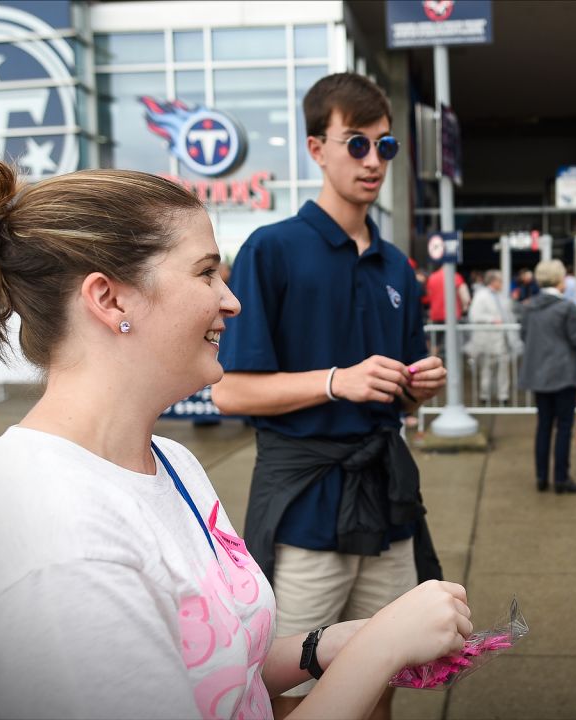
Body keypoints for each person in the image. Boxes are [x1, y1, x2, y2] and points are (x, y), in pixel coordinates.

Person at [0, 157, 472, 719]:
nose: (231, 300)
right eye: (205, 272)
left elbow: (219, 670)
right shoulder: (57, 549)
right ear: (109, 298)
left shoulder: (169, 461)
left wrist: (322, 646)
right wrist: (381, 648)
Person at [211, 73, 450, 720]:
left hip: (387, 503)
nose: (373, 161)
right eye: (357, 145)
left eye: (385, 147)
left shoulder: (398, 266)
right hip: (308, 510)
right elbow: (228, 391)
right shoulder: (272, 250)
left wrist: (419, 390)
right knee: (286, 684)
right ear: (317, 149)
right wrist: (332, 380)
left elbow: (401, 405)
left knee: (382, 673)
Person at [519, 259, 576, 494]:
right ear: (560, 280)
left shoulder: (529, 306)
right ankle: (560, 478)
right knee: (563, 428)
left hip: (539, 375)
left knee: (543, 426)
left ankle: (541, 477)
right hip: (562, 374)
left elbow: (524, 335)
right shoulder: (566, 307)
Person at [464, 269, 520, 404]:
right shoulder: (482, 295)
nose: (502, 284)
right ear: (494, 282)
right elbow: (474, 315)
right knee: (487, 368)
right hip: (488, 339)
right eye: (500, 281)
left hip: (502, 339)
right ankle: (485, 395)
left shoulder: (500, 296)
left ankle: (503, 395)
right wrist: (492, 319)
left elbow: (508, 313)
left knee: (503, 368)